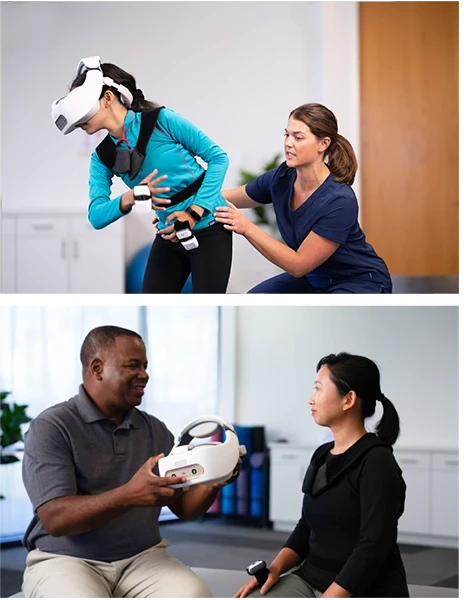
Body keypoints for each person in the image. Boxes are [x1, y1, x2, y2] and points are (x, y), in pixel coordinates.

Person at [20, 326, 240, 598]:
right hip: (66, 559)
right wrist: (129, 495)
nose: (145, 375)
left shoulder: (155, 429)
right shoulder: (52, 427)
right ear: (97, 368)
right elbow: (55, 519)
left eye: (145, 366)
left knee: (194, 596)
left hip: (142, 557)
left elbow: (184, 508)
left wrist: (213, 481)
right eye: (133, 365)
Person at [234, 353, 408, 599]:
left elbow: (373, 545)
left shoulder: (377, 461)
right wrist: (275, 569)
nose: (310, 399)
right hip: (310, 579)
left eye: (318, 389)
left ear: (349, 399)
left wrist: (331, 596)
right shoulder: (322, 455)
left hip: (364, 589)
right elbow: (306, 526)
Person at [55, 57, 233, 295]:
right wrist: (130, 197)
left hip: (209, 227)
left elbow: (218, 158)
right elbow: (96, 217)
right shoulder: (102, 157)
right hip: (168, 234)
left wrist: (194, 211)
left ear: (107, 98)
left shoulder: (162, 121)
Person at [215, 103, 392, 295]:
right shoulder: (281, 178)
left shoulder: (340, 200)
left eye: (298, 137)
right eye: (287, 135)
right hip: (314, 278)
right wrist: (187, 199)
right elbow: (224, 197)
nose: (288, 143)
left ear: (323, 144)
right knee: (254, 303)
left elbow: (298, 265)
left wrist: (246, 227)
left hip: (357, 281)